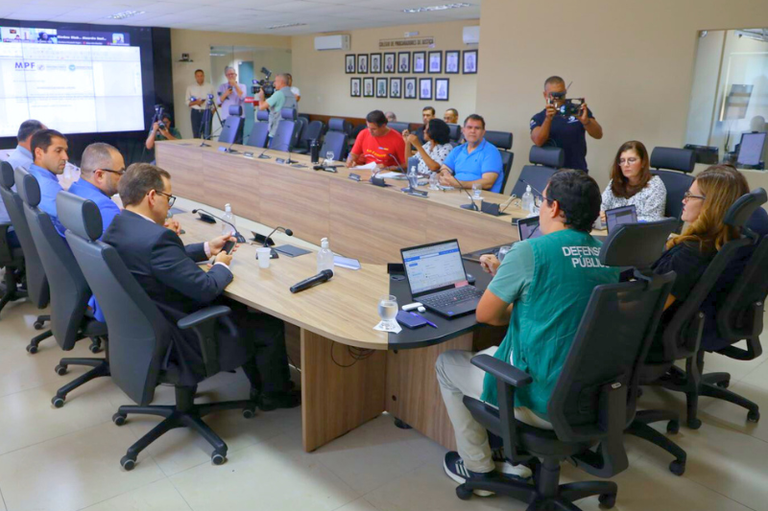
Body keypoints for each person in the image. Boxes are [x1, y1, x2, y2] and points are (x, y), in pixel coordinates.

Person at [437, 169, 619, 494]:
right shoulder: (608, 253)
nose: (540, 206)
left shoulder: (529, 251)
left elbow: (487, 315)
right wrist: (520, 286)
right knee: (496, 354)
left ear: (555, 207)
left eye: (543, 200)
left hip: (543, 395)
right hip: (594, 392)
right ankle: (516, 463)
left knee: (447, 364)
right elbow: (570, 304)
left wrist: (509, 283)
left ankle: (478, 470)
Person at [103, 163, 299, 409]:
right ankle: (274, 396)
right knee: (268, 326)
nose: (169, 205)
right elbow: (206, 288)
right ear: (152, 196)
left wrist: (206, 248)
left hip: (148, 331)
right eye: (168, 198)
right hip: (183, 338)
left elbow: (157, 261)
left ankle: (259, 387)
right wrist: (222, 265)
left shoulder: (118, 227)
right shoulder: (157, 239)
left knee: (237, 310)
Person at [651, 165, 768, 354]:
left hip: (657, 333)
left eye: (690, 196)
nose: (683, 200)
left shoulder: (693, 252)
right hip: (704, 321)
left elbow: (648, 309)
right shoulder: (724, 240)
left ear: (711, 204)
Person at [530, 76, 603, 172]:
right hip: (551, 172)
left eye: (561, 94)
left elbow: (598, 134)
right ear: (545, 95)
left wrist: (586, 122)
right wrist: (548, 119)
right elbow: (538, 141)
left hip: (577, 171)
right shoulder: (539, 118)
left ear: (565, 92)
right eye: (554, 95)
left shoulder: (577, 110)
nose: (557, 98)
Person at [3, 120, 46, 248]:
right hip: (16, 230)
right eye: (46, 139)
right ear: (33, 139)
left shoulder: (16, 157)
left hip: (10, 227)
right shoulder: (28, 166)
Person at [600, 141, 666, 222]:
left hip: (641, 230)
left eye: (631, 160)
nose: (626, 165)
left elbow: (653, 219)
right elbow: (602, 206)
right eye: (622, 160)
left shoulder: (655, 186)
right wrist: (601, 214)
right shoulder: (615, 182)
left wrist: (616, 218)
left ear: (643, 162)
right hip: (611, 229)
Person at [68, 143, 124, 237]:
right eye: (120, 172)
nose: (123, 177)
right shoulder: (106, 208)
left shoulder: (73, 190)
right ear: (100, 175)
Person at [437, 114, 504, 193]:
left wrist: (459, 184)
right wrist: (445, 176)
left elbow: (487, 183)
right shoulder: (458, 150)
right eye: (469, 127)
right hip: (455, 192)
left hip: (480, 196)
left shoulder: (491, 152)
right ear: (463, 130)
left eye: (477, 128)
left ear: (483, 132)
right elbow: (444, 168)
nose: (473, 131)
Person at [25, 129, 68, 237]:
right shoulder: (48, 187)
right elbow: (68, 229)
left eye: (65, 151)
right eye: (58, 151)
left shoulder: (32, 173)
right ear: (39, 153)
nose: (65, 157)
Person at [256, 73, 297, 140]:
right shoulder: (292, 95)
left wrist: (261, 97)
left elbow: (261, 107)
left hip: (276, 132)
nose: (274, 83)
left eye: (275, 81)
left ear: (281, 82)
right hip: (288, 132)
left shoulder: (278, 94)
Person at [186, 69, 215, 139]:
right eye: (198, 76)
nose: (200, 77)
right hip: (195, 112)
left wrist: (212, 112)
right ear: (195, 77)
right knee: (196, 134)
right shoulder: (190, 87)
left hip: (207, 111)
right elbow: (187, 102)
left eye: (201, 76)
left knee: (207, 134)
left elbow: (215, 101)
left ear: (204, 76)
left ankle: (207, 146)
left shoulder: (210, 86)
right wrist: (196, 102)